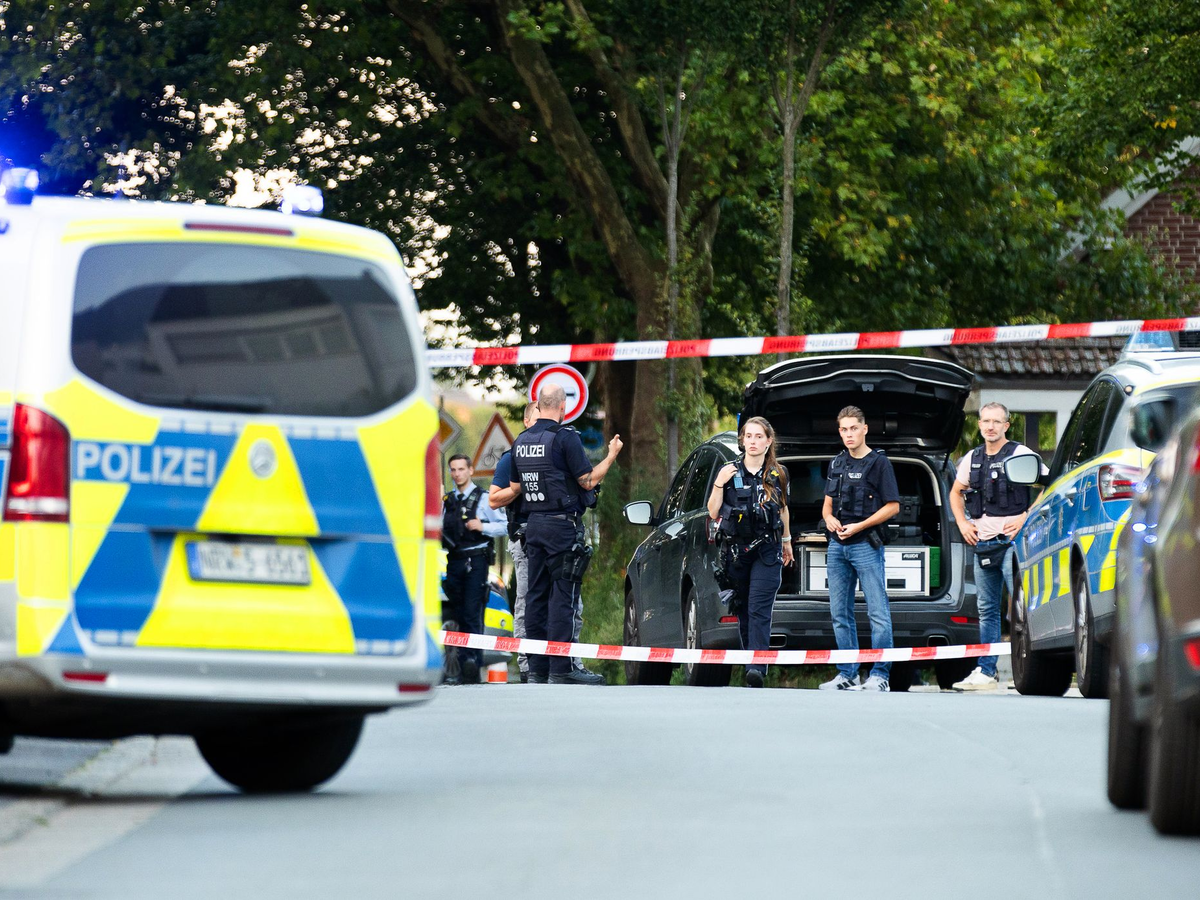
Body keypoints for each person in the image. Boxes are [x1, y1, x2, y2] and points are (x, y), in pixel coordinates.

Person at [509, 383, 623, 685]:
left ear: (538, 405)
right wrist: (611, 456)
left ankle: (537, 668)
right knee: (563, 597)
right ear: (562, 406)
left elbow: (516, 486)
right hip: (561, 527)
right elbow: (587, 481)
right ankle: (562, 667)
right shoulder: (565, 438)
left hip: (533, 526)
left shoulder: (521, 441)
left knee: (535, 597)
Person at [949, 401, 1045, 691]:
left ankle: (1029, 671)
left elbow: (1049, 484)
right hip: (984, 544)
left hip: (1013, 543)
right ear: (979, 425)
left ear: (1006, 425)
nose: (990, 426)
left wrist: (1026, 518)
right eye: (986, 421)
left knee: (1021, 607)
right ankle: (986, 671)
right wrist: (963, 523)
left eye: (996, 421)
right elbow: (956, 492)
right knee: (987, 610)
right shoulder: (972, 458)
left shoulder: (1021, 453)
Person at [707, 416, 793, 689]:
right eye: (748, 436)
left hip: (768, 549)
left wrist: (787, 541)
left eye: (759, 436)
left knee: (759, 607)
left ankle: (757, 667)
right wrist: (719, 483)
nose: (753, 441)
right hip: (737, 552)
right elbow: (713, 511)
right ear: (742, 440)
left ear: (768, 441)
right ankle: (751, 660)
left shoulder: (778, 473)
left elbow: (783, 510)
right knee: (743, 608)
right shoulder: (728, 471)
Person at [820, 406, 900, 691]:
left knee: (877, 612)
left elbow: (893, 506)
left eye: (854, 428)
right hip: (837, 546)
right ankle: (848, 673)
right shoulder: (836, 462)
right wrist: (829, 520)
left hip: (866, 544)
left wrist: (860, 526)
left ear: (865, 429)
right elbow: (827, 505)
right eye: (844, 429)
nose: (849, 434)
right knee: (839, 613)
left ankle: (880, 675)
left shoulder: (879, 463)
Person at [442, 453, 507, 684]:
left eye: (461, 469)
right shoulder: (448, 501)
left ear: (470, 470)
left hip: (476, 561)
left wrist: (483, 526)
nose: (457, 474)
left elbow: (505, 526)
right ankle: (459, 669)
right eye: (453, 470)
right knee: (457, 613)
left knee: (472, 613)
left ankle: (471, 663)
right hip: (454, 561)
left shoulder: (483, 498)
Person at [489, 402, 538, 682]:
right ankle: (527, 663)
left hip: (553, 537)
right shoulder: (513, 457)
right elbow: (494, 499)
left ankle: (560, 661)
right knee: (526, 599)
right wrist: (518, 489)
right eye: (538, 419)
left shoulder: (554, 454)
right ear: (526, 421)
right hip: (524, 537)